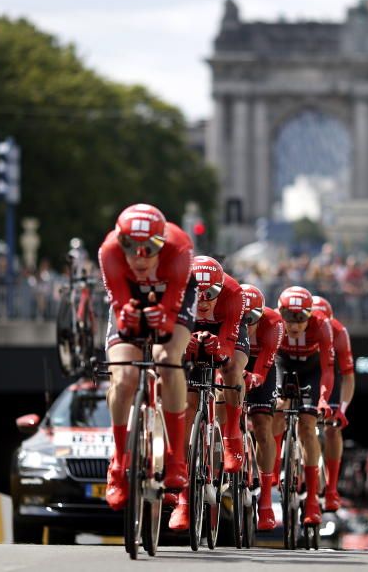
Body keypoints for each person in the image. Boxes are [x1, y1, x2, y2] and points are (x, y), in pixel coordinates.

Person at [98, 203, 195, 512]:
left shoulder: (179, 249)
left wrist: (164, 318)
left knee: (168, 359)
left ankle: (175, 457)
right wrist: (128, 316)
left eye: (150, 248)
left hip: (173, 298)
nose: (140, 257)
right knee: (124, 377)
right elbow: (122, 311)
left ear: (162, 244)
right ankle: (118, 462)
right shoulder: (108, 252)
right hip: (130, 296)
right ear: (120, 241)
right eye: (131, 247)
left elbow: (169, 320)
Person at [170, 256, 249, 531]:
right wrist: (183, 347)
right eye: (198, 293)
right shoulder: (179, 291)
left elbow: (229, 342)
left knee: (232, 369)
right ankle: (183, 499)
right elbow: (171, 339)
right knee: (188, 404)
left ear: (221, 288)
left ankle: (232, 438)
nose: (203, 300)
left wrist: (221, 350)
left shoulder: (234, 293)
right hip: (190, 329)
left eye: (210, 294)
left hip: (224, 331)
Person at [271, 286, 335, 526]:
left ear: (310, 315)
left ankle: (311, 501)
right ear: (280, 313)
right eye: (289, 316)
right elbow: (267, 358)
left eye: (301, 318)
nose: (294, 324)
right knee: (278, 407)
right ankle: (275, 467)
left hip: (312, 370)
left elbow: (328, 369)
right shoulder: (276, 325)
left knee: (308, 426)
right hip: (283, 364)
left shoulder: (322, 326)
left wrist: (323, 399)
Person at [240, 283, 283, 530]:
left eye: (252, 319)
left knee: (262, 425)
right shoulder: (230, 317)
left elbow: (266, 360)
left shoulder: (273, 323)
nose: (248, 324)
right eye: (243, 319)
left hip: (260, 362)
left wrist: (255, 378)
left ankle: (265, 500)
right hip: (234, 356)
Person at [311, 295, 355, 512]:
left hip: (329, 373)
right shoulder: (297, 324)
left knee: (332, 429)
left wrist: (341, 410)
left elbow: (347, 375)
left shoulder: (338, 332)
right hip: (306, 368)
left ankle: (331, 488)